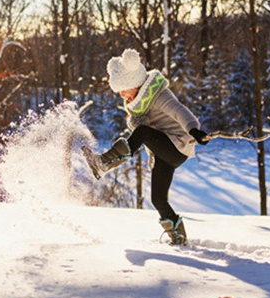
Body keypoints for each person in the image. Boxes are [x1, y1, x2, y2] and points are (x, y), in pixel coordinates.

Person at [81, 48, 209, 245]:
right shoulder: (143, 104)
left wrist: (194, 130)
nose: (123, 95)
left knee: (142, 132)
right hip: (164, 153)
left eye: (124, 89)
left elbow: (179, 112)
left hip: (177, 145)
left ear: (136, 83)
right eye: (119, 92)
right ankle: (179, 238)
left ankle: (104, 163)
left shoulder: (159, 95)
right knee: (158, 199)